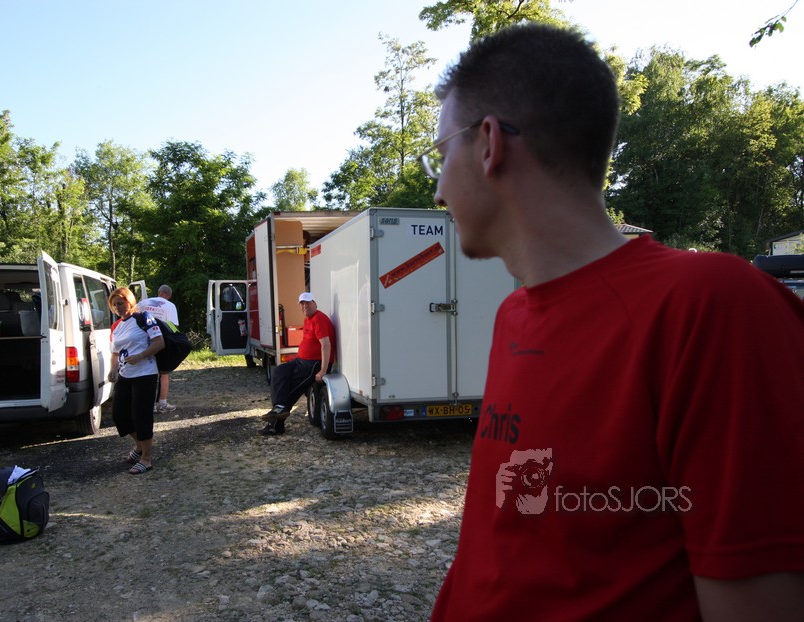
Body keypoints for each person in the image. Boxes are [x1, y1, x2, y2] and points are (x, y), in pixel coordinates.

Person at [424, 23, 804, 621]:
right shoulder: (512, 316)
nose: (439, 191)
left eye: (442, 155)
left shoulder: (711, 305)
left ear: (489, 144)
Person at [258, 292, 335, 436]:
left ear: (315, 303)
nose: (305, 306)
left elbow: (326, 344)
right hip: (301, 361)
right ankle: (279, 407)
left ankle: (276, 426)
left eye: (308, 303)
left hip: (313, 364)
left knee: (291, 390)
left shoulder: (319, 318)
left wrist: (323, 370)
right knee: (279, 371)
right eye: (302, 304)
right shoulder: (308, 320)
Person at [107, 287, 165, 474]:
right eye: (114, 305)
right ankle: (139, 445)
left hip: (145, 374)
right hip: (125, 375)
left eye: (121, 303)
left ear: (129, 301)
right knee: (119, 415)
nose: (118, 307)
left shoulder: (143, 318)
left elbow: (159, 342)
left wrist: (141, 355)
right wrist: (113, 369)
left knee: (141, 416)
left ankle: (146, 459)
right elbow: (115, 353)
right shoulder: (117, 326)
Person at [137, 284, 179, 413]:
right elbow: (173, 326)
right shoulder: (170, 306)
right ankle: (162, 404)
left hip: (142, 341)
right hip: (161, 341)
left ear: (158, 292)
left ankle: (148, 405)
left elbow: (134, 320)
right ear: (169, 296)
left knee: (145, 373)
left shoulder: (143, 303)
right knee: (164, 373)